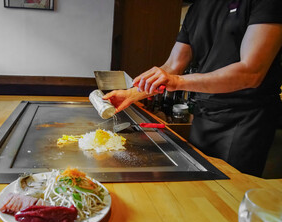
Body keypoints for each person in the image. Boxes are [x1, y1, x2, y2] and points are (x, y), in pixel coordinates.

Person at [103, 0, 282, 177]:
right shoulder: (198, 7)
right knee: (199, 181)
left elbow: (251, 72)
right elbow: (173, 65)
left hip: (245, 118)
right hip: (204, 113)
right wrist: (131, 94)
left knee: (230, 191)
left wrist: (178, 81)